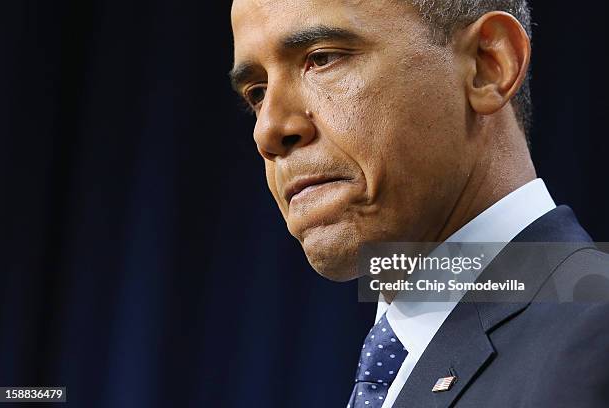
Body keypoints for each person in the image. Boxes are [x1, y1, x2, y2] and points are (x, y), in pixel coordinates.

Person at [230, 1, 609, 407]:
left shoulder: (595, 337)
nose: (268, 130)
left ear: (488, 65)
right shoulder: (395, 362)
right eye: (257, 93)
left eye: (322, 59)